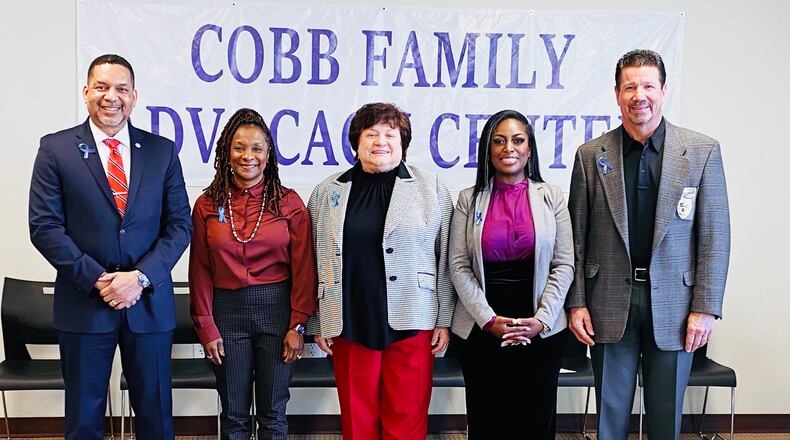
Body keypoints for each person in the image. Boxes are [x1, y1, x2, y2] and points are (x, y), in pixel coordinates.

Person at [566, 49, 731, 439]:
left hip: (677, 304)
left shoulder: (701, 151)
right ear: (617, 94)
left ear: (663, 90)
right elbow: (576, 237)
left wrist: (705, 308)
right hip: (607, 301)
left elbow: (715, 237)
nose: (639, 95)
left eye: (648, 86)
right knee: (610, 416)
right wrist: (577, 302)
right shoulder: (590, 156)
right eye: (629, 87)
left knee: (665, 414)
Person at [28, 54, 192, 440]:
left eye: (121, 88)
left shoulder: (162, 151)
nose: (111, 97)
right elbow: (44, 227)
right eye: (101, 87)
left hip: (148, 305)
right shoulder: (56, 149)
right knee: (84, 421)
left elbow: (180, 225)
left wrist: (140, 278)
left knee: (155, 418)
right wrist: (98, 279)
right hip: (84, 304)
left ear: (134, 96)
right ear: (86, 92)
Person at [306, 102, 454, 440]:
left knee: (407, 417)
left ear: (403, 143)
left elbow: (446, 257)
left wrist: (444, 318)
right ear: (356, 142)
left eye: (390, 134)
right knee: (357, 419)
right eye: (371, 134)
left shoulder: (430, 188)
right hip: (349, 320)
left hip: (413, 319)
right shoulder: (328, 191)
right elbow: (314, 259)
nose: (381, 141)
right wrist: (317, 320)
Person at [188, 108, 317, 439]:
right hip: (226, 315)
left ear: (268, 154)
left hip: (278, 313)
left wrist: (298, 325)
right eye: (239, 147)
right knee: (234, 414)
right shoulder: (206, 204)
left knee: (273, 413)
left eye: (257, 148)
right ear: (226, 153)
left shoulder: (289, 203)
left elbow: (304, 270)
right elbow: (199, 269)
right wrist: (206, 325)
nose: (248, 156)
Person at [449, 109, 573, 438]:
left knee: (535, 421)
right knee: (488, 419)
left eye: (518, 140)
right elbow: (458, 266)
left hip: (541, 326)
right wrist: (489, 320)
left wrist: (542, 320)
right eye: (499, 141)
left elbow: (564, 264)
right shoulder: (468, 199)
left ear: (530, 149)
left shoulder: (552, 197)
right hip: (482, 326)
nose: (509, 148)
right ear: (488, 149)